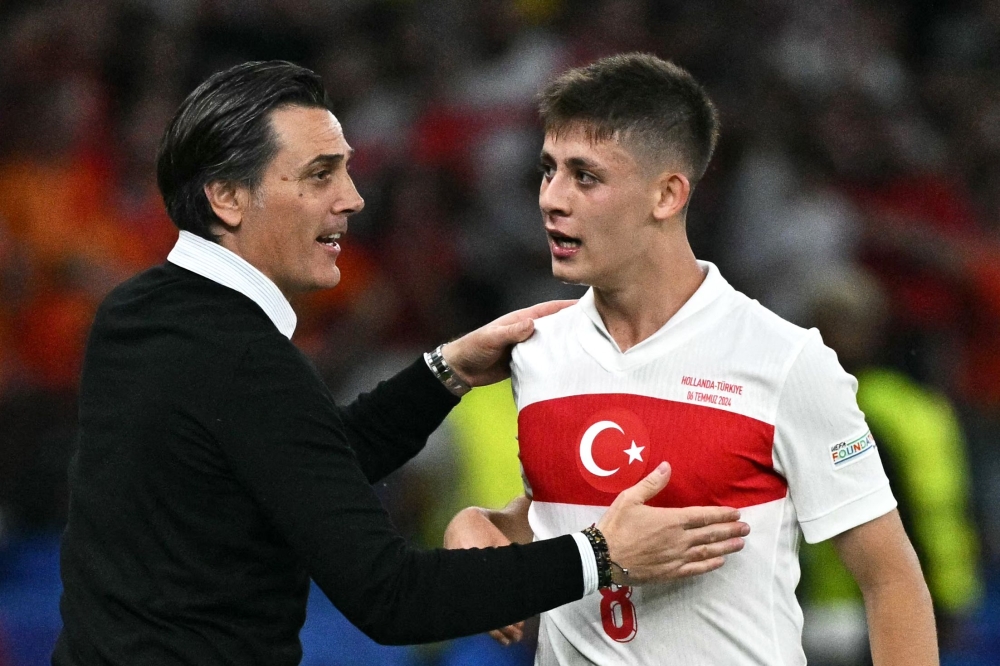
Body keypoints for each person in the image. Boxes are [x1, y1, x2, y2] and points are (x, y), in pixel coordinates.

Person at [51, 60, 752, 666]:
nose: (352, 198)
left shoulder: (138, 313)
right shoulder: (245, 360)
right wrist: (598, 554)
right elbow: (393, 599)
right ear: (227, 197)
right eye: (321, 174)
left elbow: (297, 465)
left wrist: (444, 372)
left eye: (348, 170)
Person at [444, 53, 938, 665]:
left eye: (585, 176)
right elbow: (563, 518)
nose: (551, 199)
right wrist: (480, 524)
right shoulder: (538, 353)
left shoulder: (784, 361)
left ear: (667, 194)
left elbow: (890, 581)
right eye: (548, 170)